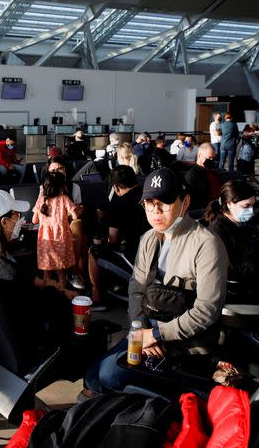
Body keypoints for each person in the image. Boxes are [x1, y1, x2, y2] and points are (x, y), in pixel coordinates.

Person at [83, 167, 229, 396]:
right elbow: (136, 288)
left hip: (184, 343)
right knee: (91, 378)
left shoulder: (206, 244)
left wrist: (157, 335)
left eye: (165, 202)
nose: (156, 211)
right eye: (149, 203)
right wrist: (140, 329)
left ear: (185, 201)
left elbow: (207, 309)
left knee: (109, 375)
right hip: (147, 331)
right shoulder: (149, 238)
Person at [0, 190, 72, 363]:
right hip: (26, 343)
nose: (19, 219)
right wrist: (60, 294)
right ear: (4, 221)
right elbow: (35, 303)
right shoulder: (10, 273)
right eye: (16, 215)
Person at [87, 166, 150, 305]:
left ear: (115, 188)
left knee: (94, 251)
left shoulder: (118, 204)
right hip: (152, 254)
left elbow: (113, 239)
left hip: (135, 258)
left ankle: (96, 295)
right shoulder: (148, 197)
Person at [32, 172, 80, 295]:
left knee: (46, 269)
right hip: (61, 238)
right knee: (61, 269)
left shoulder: (41, 200)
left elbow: (34, 220)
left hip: (45, 240)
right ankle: (62, 293)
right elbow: (75, 216)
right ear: (62, 186)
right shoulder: (64, 199)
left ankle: (45, 294)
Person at [184, 143, 222, 210]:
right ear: (199, 156)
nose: (211, 160)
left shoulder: (212, 172)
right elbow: (194, 200)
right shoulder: (192, 175)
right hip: (206, 209)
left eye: (213, 158)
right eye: (209, 158)